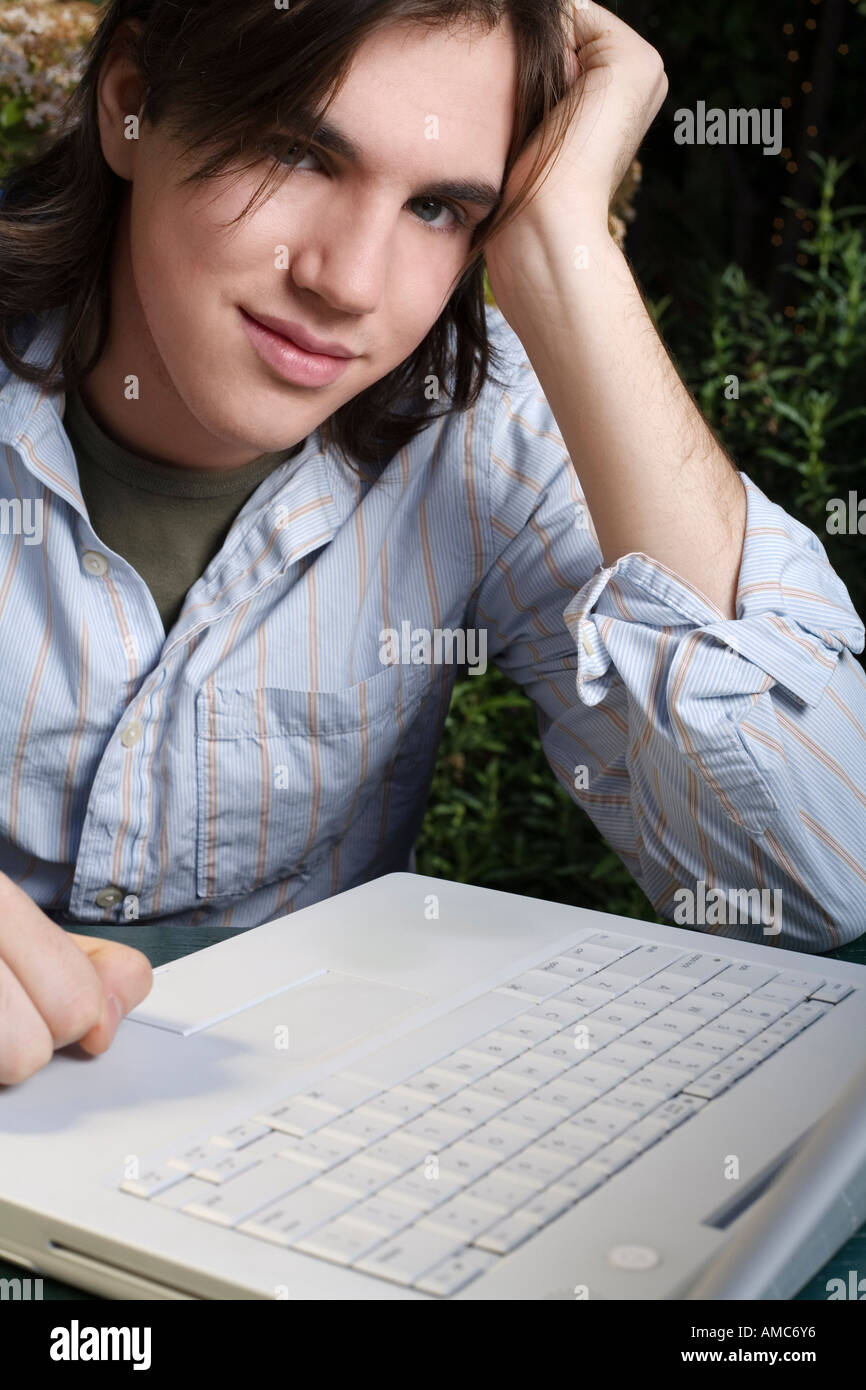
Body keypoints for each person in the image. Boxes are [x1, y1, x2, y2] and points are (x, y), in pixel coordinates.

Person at [0, 0, 863, 1086]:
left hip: (287, 1161)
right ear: (130, 105)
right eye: (297, 151)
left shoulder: (483, 424)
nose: (346, 283)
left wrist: (564, 259)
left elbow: (814, 875)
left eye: (440, 208)